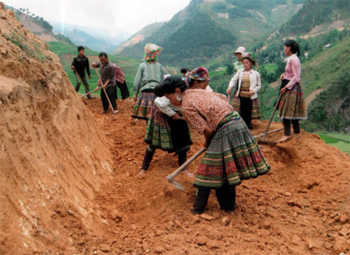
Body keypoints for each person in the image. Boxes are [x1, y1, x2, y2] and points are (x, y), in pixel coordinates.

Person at [155, 78, 270, 215]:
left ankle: (197, 210)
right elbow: (221, 97)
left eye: (169, 97)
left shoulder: (186, 107)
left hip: (226, 128)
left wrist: (208, 141)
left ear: (177, 92)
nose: (169, 101)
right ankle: (228, 208)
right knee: (223, 168)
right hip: (236, 121)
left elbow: (207, 131)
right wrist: (218, 116)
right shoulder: (196, 91)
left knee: (207, 169)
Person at [138, 76, 193, 176]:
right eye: (167, 97)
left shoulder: (187, 94)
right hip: (160, 113)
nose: (168, 98)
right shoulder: (163, 98)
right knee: (154, 142)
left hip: (177, 113)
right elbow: (158, 103)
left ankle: (183, 168)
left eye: (169, 97)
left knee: (182, 140)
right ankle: (144, 168)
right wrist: (172, 113)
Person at [278, 39, 307, 142]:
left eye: (285, 47)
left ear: (289, 48)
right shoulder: (291, 59)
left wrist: (286, 87)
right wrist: (284, 75)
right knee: (292, 110)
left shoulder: (293, 59)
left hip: (291, 87)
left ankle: (287, 134)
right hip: (290, 85)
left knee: (286, 110)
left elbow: (296, 77)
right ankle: (297, 130)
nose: (284, 50)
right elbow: (291, 73)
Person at [226, 54, 261, 129]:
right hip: (241, 94)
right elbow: (233, 80)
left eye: (247, 62)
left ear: (251, 63)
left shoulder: (255, 74)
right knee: (241, 110)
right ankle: (241, 125)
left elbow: (259, 85)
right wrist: (230, 87)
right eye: (244, 63)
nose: (245, 64)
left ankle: (247, 125)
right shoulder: (240, 72)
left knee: (248, 110)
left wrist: (253, 91)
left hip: (250, 95)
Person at [132, 43, 164, 120]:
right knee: (156, 116)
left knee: (147, 116)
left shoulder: (143, 65)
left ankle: (148, 129)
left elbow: (137, 80)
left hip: (145, 93)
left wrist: (136, 93)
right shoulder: (159, 66)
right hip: (157, 92)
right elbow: (162, 81)